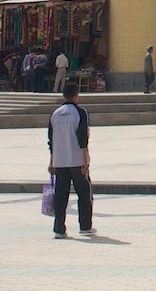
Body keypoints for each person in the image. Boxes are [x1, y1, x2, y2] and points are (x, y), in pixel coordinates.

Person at [47, 82, 96, 238]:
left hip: (60, 161)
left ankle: (59, 229)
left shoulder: (55, 113)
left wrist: (51, 161)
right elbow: (83, 138)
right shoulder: (80, 113)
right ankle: (85, 226)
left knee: (60, 195)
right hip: (76, 160)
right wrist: (85, 162)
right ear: (76, 95)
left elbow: (51, 140)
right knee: (84, 193)